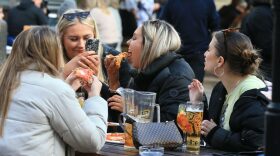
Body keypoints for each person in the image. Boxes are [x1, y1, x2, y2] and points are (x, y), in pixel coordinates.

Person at [0, 26, 107, 155]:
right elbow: (92, 142)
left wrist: (66, 88)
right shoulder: (54, 88)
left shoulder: (6, 80)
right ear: (55, 51)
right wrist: (95, 96)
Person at [188, 29, 269, 151]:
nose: (204, 53)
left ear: (220, 61)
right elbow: (208, 130)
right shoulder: (221, 88)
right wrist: (197, 103)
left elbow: (256, 142)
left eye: (209, 50)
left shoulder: (252, 94)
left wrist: (215, 132)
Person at [107, 19, 195, 122]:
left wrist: (132, 110)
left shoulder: (177, 76)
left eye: (134, 38)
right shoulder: (143, 72)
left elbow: (175, 124)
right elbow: (119, 121)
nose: (128, 42)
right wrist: (114, 82)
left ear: (150, 45)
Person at [56, 9, 131, 122]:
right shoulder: (50, 60)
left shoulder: (114, 60)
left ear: (95, 35)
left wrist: (99, 83)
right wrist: (63, 73)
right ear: (61, 39)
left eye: (87, 38)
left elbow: (120, 114)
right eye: (73, 39)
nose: (81, 45)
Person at [160, 0, 220, 83]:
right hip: (176, 54)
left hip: (198, 53)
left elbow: (215, 28)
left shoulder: (207, 2)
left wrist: (215, 52)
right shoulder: (171, 2)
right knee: (175, 87)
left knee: (195, 87)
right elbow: (163, 27)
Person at [240, 0, 273, 81]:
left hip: (261, 67)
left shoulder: (258, 12)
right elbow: (267, 46)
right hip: (264, 70)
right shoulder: (261, 14)